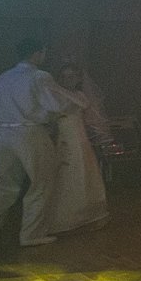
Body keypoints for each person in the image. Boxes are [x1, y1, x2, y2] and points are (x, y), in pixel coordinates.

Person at [0, 38, 79, 248]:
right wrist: (74, 104)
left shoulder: (3, 77)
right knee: (42, 183)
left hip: (2, 134)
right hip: (29, 133)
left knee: (5, 187)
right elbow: (56, 104)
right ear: (37, 53)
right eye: (43, 51)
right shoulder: (39, 76)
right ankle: (31, 235)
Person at [46, 61, 109, 234]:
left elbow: (85, 109)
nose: (68, 80)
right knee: (67, 175)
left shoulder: (80, 95)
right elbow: (52, 116)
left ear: (78, 78)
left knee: (85, 174)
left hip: (80, 138)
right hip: (65, 138)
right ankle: (66, 219)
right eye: (64, 76)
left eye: (72, 76)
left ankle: (88, 215)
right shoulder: (55, 94)